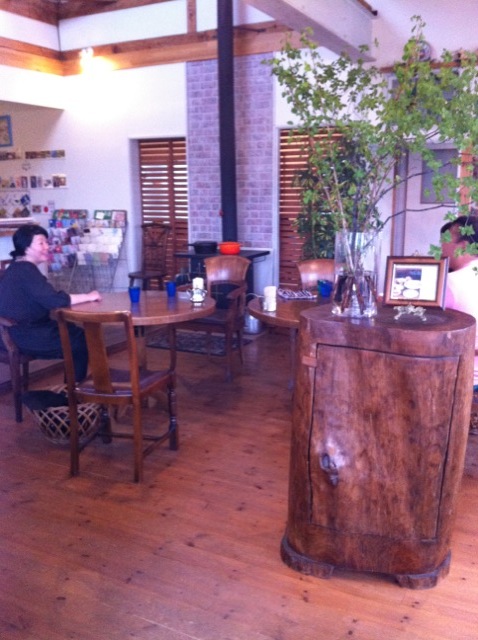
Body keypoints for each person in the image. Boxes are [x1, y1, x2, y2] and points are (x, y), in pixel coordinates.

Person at [0, 224, 101, 382]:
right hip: (23, 334)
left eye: (46, 242)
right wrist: (88, 296)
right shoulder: (26, 270)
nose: (47, 247)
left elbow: (47, 298)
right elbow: (54, 300)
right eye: (41, 243)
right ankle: (73, 391)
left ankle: (73, 387)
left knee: (74, 331)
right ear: (26, 247)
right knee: (80, 340)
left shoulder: (17, 267)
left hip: (18, 330)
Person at [441, 216, 478, 390]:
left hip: (466, 379)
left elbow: (419, 318)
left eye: (446, 240)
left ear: (463, 246)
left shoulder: (451, 282)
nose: (442, 246)